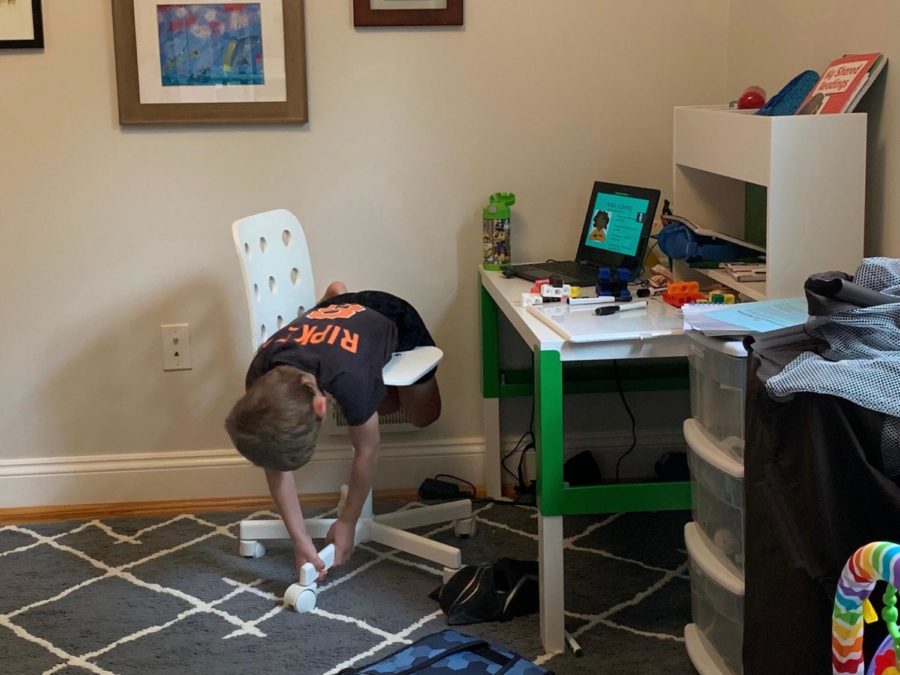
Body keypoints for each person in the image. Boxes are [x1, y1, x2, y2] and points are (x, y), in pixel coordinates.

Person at [224, 281, 441, 582]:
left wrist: (347, 522)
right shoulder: (260, 375)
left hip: (391, 313)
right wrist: (300, 541)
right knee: (368, 406)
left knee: (423, 415)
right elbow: (274, 464)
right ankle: (336, 299)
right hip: (332, 321)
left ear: (323, 406)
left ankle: (345, 307)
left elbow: (368, 449)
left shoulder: (348, 379)